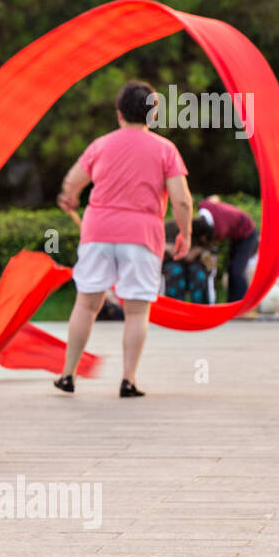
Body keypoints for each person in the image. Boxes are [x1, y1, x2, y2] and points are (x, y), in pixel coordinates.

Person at [54, 80, 193, 397]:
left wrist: (69, 196)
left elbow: (72, 182)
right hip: (142, 235)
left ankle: (68, 374)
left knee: (87, 304)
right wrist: (185, 232)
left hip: (97, 231)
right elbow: (181, 200)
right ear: (153, 114)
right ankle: (128, 380)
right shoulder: (165, 150)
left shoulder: (101, 145)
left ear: (119, 114)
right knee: (136, 310)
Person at [197, 195, 258, 301]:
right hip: (235, 234)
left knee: (237, 271)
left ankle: (241, 305)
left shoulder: (220, 229)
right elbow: (214, 197)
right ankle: (231, 303)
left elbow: (211, 244)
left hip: (248, 233)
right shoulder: (204, 205)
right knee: (230, 270)